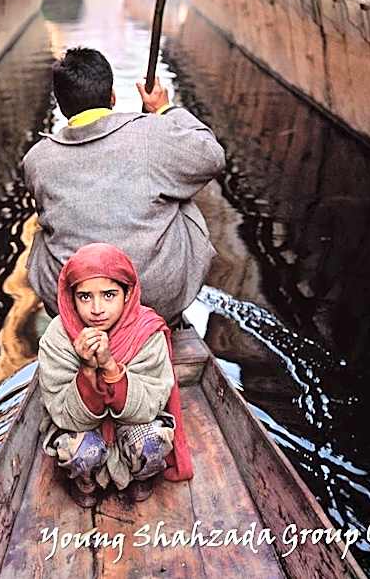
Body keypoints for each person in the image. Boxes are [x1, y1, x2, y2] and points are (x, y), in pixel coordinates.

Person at [23, 47, 226, 325]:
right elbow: (212, 157)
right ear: (112, 97)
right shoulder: (153, 133)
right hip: (155, 298)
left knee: (42, 228)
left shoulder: (37, 160)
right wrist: (165, 109)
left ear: (61, 105)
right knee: (180, 189)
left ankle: (79, 316)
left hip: (74, 302)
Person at [37, 243, 193, 508]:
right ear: (70, 297)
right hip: (83, 427)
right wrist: (86, 369)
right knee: (81, 452)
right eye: (85, 297)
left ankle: (141, 475)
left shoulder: (147, 332)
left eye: (109, 295)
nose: (97, 308)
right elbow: (63, 414)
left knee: (152, 442)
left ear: (127, 293)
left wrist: (110, 366)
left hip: (132, 423)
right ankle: (86, 481)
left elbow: (148, 407)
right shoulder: (57, 337)